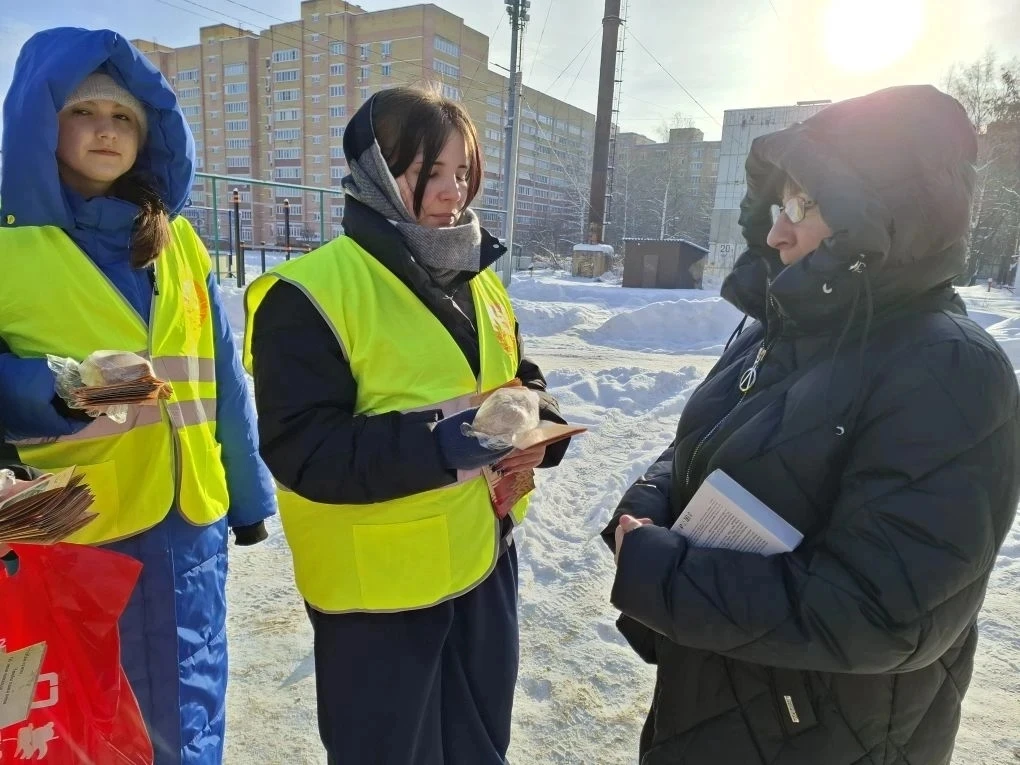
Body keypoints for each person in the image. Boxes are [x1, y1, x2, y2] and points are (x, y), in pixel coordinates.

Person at [603, 84, 1020, 765]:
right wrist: (650, 501)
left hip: (826, 737)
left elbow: (886, 611)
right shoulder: (784, 326)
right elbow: (706, 446)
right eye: (780, 203)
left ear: (887, 214)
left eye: (808, 204)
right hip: (712, 702)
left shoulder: (950, 368)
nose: (777, 232)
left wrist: (667, 576)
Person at [244, 85, 571, 764]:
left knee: (480, 747)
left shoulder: (479, 277)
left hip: (483, 560)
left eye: (462, 172)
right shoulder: (308, 294)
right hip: (379, 595)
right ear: (375, 170)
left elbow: (516, 373)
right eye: (428, 170)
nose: (452, 191)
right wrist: (450, 443)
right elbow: (305, 450)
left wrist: (539, 423)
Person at [0, 28, 277, 764]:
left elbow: (220, 376)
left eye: (123, 116)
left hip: (187, 527)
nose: (106, 129)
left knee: (188, 706)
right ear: (39, 119)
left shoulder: (178, 240)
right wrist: (53, 387)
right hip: (69, 532)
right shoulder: (6, 244)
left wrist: (247, 495)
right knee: (80, 722)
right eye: (83, 110)